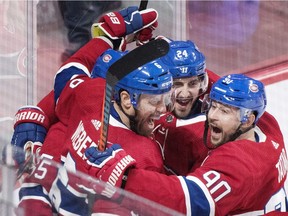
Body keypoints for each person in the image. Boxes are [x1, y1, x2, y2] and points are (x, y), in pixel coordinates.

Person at [86, 73, 288, 215]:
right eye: (214, 106)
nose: (213, 117)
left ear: (248, 119)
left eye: (225, 112)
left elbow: (186, 200)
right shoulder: (268, 125)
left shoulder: (239, 165)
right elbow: (222, 85)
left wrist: (125, 178)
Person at [153, 39, 219, 175]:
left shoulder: (209, 134)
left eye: (192, 83)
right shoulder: (147, 106)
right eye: (176, 84)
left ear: (202, 83)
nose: (184, 93)